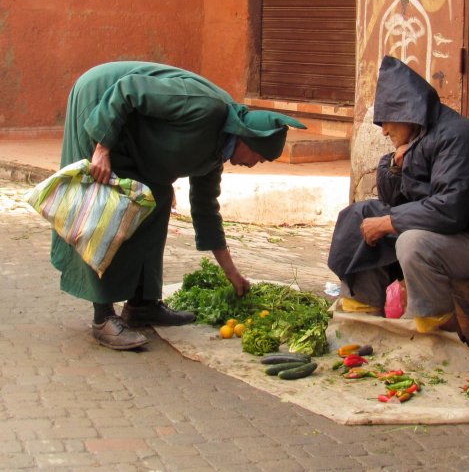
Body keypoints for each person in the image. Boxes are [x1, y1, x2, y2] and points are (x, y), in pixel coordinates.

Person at [52, 61, 306, 350]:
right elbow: (129, 88)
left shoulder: (215, 155)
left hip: (136, 136)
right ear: (246, 138)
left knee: (157, 197)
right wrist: (102, 147)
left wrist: (231, 272)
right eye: (258, 157)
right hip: (102, 104)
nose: (253, 164)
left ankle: (142, 304)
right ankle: (103, 318)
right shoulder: (206, 108)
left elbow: (206, 210)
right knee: (101, 210)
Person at [327, 55, 469, 332]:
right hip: (457, 232)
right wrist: (394, 166)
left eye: (388, 121)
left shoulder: (457, 139)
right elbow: (394, 200)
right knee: (360, 215)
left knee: (412, 243)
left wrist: (388, 223)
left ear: (409, 112)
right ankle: (363, 313)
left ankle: (435, 324)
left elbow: (449, 211)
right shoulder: (420, 138)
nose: (385, 131)